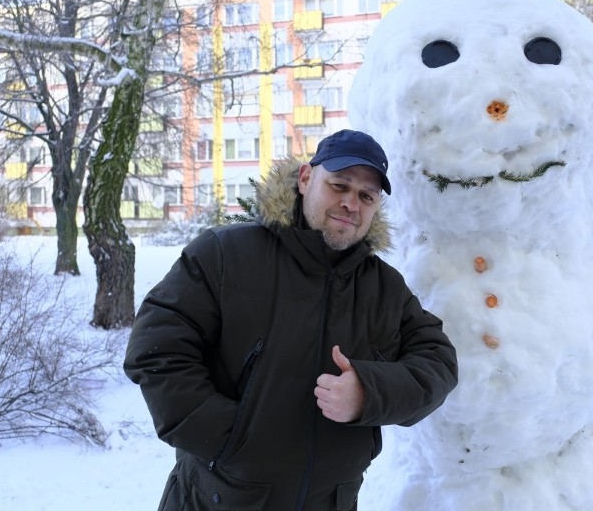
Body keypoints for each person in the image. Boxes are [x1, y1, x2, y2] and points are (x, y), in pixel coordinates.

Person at [124, 129, 458, 511]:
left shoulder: (384, 288)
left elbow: (438, 362)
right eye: (339, 185)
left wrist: (370, 392)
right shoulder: (225, 255)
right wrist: (231, 440)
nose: (351, 203)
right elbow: (156, 349)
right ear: (304, 179)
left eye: (366, 196)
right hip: (220, 498)